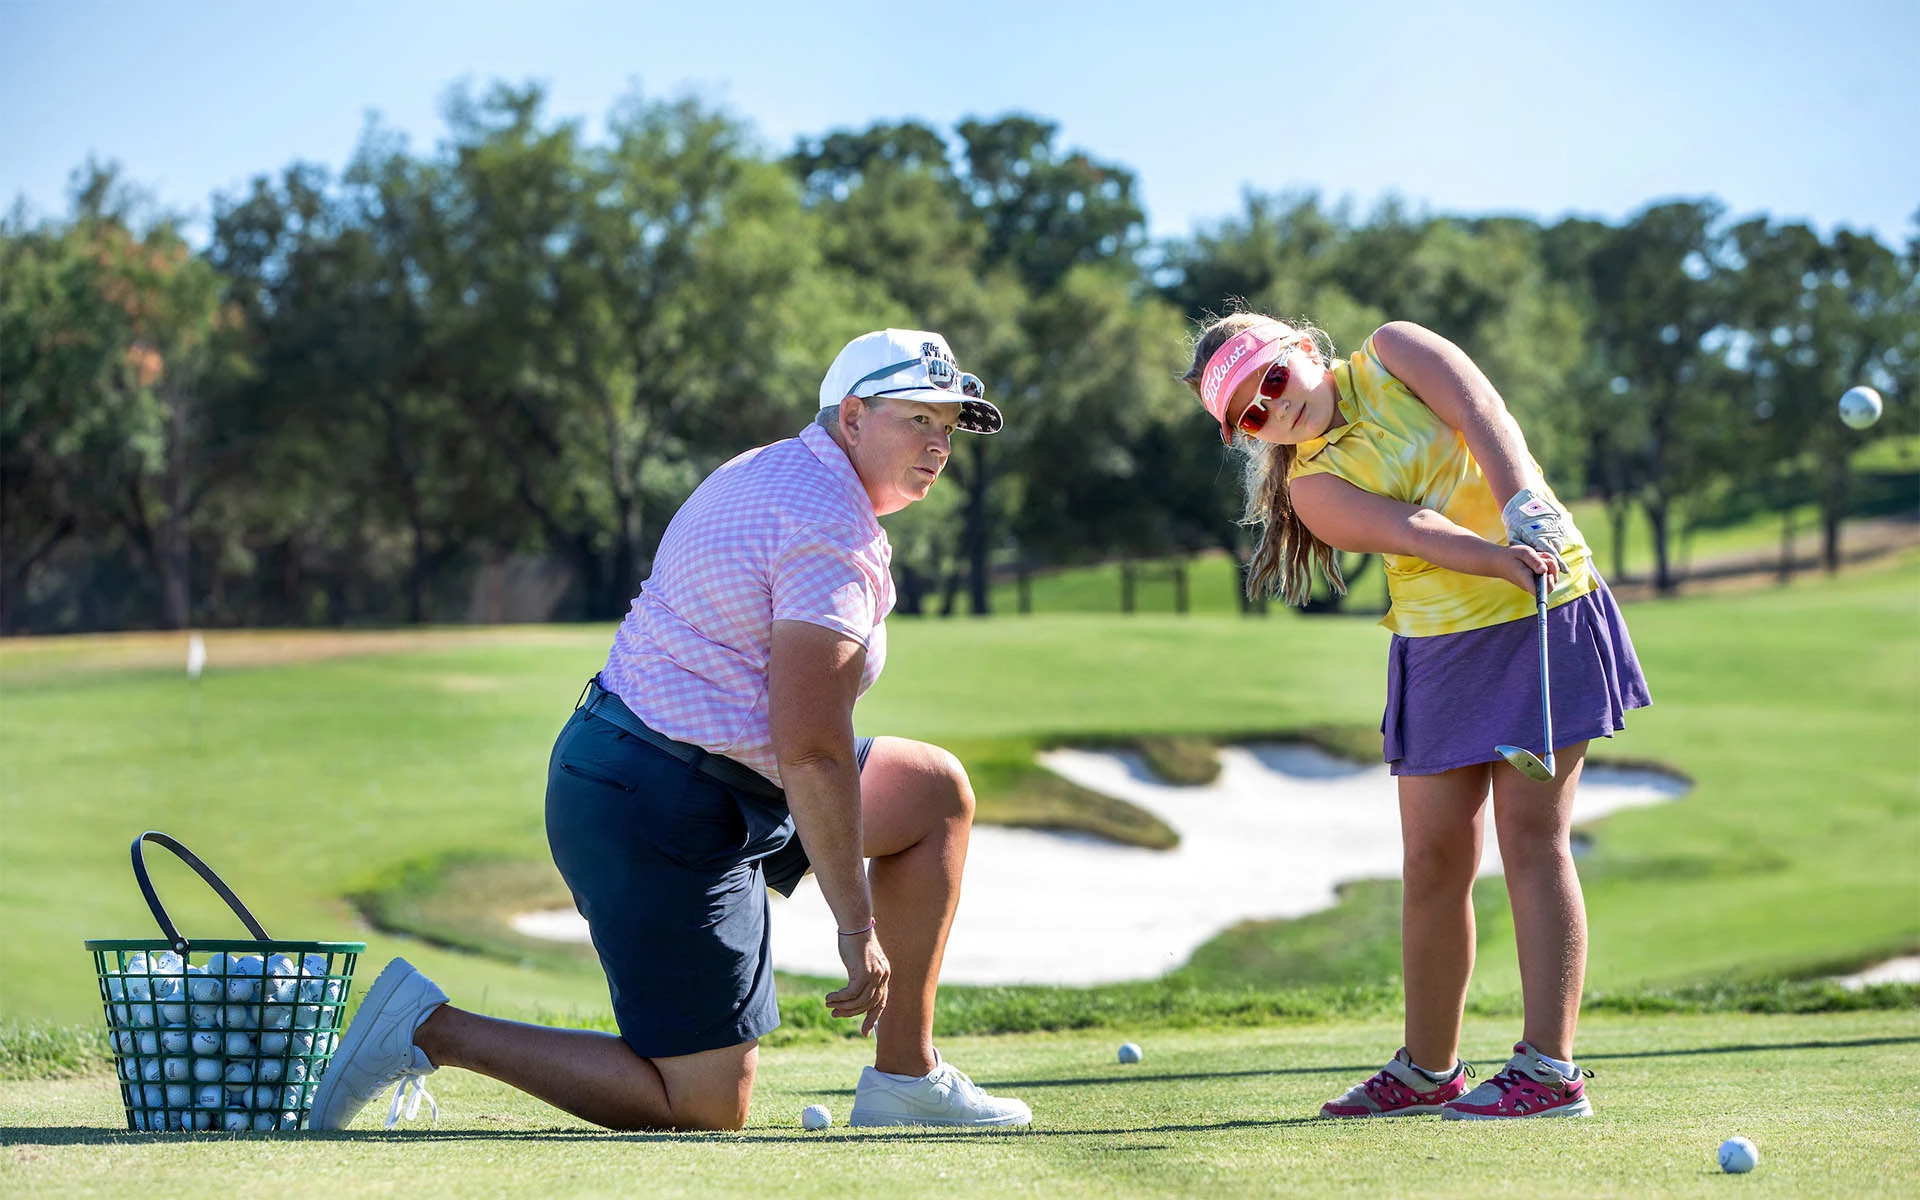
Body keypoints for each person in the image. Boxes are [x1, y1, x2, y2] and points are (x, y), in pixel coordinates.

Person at [310, 329, 1032, 1132]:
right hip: (658, 803)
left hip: (685, 772)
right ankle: (429, 1028)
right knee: (705, 1108)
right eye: (917, 420)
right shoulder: (830, 527)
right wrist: (856, 929)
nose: (938, 445)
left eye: (949, 426)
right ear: (854, 416)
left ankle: (905, 1079)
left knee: (931, 793)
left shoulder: (775, 467)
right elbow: (816, 752)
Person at [1182, 312, 1652, 1119]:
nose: (1272, 408)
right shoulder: (1313, 487)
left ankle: (1549, 1070)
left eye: (1271, 379)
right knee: (1434, 862)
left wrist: (1523, 509)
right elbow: (1416, 531)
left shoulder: (1395, 351)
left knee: (1532, 843)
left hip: (1544, 609)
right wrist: (1495, 556)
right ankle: (1429, 1069)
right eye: (1249, 415)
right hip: (1440, 646)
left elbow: (1483, 411)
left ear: (1302, 347)